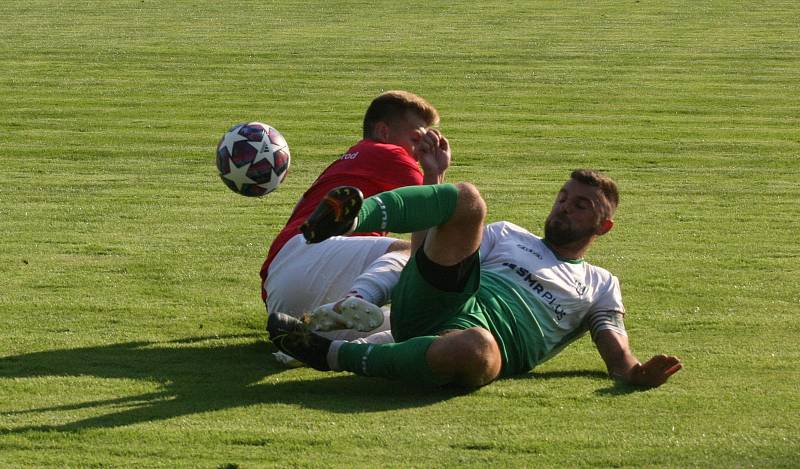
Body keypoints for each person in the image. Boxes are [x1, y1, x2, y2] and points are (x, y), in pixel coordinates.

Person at [268, 169, 683, 388]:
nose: (564, 208)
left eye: (580, 205)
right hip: (444, 300)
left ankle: (328, 354)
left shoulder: (601, 283)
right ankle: (355, 216)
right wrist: (435, 176)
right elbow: (429, 252)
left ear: (603, 226)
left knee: (476, 346)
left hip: (480, 345)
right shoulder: (508, 235)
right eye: (562, 198)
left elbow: (617, 355)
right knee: (468, 199)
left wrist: (634, 374)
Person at [261, 90, 451, 341]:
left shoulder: (350, 160)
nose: (420, 150)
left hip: (283, 286)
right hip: (310, 254)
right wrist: (434, 172)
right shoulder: (388, 154)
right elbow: (438, 219)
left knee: (424, 326)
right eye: (416, 138)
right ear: (384, 132)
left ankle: (311, 342)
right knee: (412, 254)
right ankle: (356, 299)